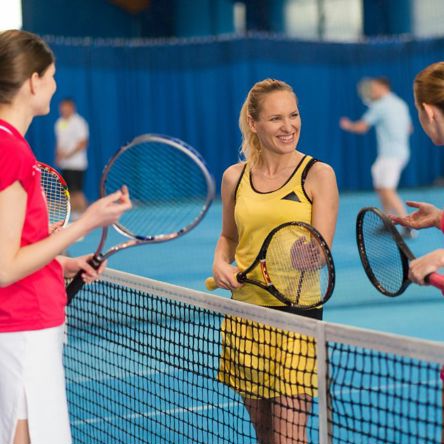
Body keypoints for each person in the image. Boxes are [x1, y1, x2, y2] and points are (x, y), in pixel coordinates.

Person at [0, 30, 132, 444]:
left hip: (22, 327)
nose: (55, 86)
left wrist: (64, 263)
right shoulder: (11, 152)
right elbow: (4, 268)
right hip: (22, 329)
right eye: (52, 76)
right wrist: (87, 222)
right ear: (34, 81)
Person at [211, 79, 339, 443]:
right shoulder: (234, 178)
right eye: (276, 118)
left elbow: (320, 249)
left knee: (288, 439)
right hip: (246, 319)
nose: (289, 126)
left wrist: (310, 254)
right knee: (265, 436)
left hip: (297, 319)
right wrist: (220, 263)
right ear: (254, 124)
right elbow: (229, 237)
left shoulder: (318, 174)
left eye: (294, 115)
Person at [339, 77, 415, 238]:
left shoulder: (380, 106)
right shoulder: (401, 104)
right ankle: (387, 223)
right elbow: (409, 128)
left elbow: (361, 127)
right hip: (397, 153)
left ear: (383, 87)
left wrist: (348, 125)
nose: (372, 91)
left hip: (391, 155)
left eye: (374, 88)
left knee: (387, 190)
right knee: (381, 188)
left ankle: (409, 226)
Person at [55, 97, 89, 220]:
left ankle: (87, 216)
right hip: (65, 164)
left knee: (77, 191)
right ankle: (75, 214)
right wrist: (58, 156)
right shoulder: (59, 123)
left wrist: (68, 155)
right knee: (68, 191)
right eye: (62, 107)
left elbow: (83, 143)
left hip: (77, 164)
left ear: (72, 107)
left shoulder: (79, 122)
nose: (63, 109)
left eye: (66, 107)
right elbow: (59, 143)